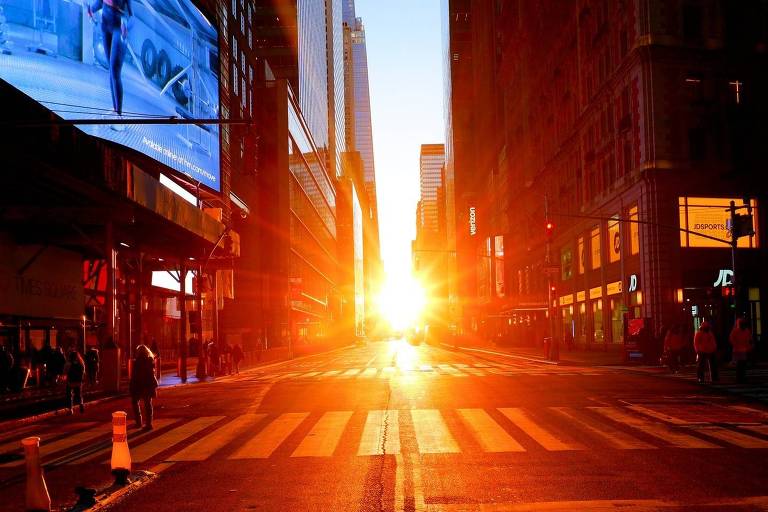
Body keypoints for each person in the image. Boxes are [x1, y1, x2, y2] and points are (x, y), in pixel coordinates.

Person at [87, 0, 132, 131]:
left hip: (119, 29)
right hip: (105, 27)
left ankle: (119, 116)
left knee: (115, 71)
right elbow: (99, 3)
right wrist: (90, 9)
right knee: (111, 72)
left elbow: (131, 15)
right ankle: (115, 109)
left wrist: (126, 24)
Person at [129, 345, 158, 429]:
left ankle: (139, 422)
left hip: (139, 385)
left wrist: (132, 385)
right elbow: (151, 374)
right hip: (148, 385)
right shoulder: (150, 360)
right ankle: (149, 424)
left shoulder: (137, 361)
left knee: (135, 402)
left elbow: (135, 375)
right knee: (148, 404)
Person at [729, 318, 753, 384]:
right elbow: (731, 339)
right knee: (740, 364)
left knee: (743, 364)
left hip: (744, 350)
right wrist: (736, 345)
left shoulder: (746, 331)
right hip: (738, 350)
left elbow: (750, 339)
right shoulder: (736, 331)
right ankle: (739, 378)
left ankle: (742, 377)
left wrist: (749, 347)